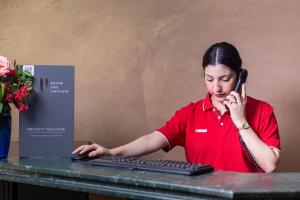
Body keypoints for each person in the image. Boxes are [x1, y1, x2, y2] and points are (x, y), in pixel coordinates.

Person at [73, 42, 280, 173]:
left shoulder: (263, 111)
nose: (216, 87)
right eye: (209, 79)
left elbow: (269, 165)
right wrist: (111, 152)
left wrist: (240, 121)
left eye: (225, 79)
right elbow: (153, 139)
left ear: (240, 77)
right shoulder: (190, 113)